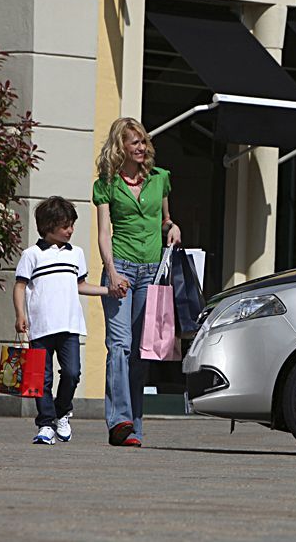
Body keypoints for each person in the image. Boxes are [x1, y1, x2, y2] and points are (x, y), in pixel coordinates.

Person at [93, 117, 181, 447]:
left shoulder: (160, 179)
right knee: (119, 345)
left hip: (151, 271)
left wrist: (172, 227)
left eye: (143, 141)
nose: (141, 148)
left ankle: (134, 426)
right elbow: (104, 233)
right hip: (122, 268)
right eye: (135, 142)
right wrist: (112, 272)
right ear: (121, 147)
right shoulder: (106, 183)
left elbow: (166, 220)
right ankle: (119, 421)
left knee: (140, 354)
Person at [14, 196, 114, 445]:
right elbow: (20, 286)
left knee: (72, 373)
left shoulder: (76, 254)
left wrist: (108, 291)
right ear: (48, 226)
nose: (70, 230)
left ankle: (61, 412)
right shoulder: (32, 254)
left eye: (72, 225)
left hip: (70, 326)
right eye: (65, 226)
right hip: (41, 327)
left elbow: (81, 285)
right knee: (41, 379)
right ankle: (45, 424)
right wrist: (20, 315)